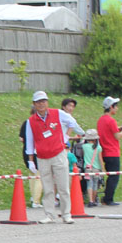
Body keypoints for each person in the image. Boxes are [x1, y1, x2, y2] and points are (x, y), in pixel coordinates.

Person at [25, 91, 84, 224]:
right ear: (34, 104)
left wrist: (66, 136)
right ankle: (49, 214)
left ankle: (66, 214)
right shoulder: (31, 121)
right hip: (42, 156)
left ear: (47, 102)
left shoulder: (58, 113)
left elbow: (72, 122)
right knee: (47, 187)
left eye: (44, 101)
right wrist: (30, 160)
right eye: (38, 102)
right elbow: (29, 140)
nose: (41, 104)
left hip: (58, 153)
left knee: (63, 185)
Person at [97, 96, 122, 206]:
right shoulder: (111, 120)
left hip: (104, 151)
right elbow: (117, 136)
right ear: (111, 107)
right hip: (112, 151)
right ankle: (108, 198)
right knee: (114, 176)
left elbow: (110, 131)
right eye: (116, 107)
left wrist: (119, 128)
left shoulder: (101, 120)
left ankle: (107, 197)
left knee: (110, 175)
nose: (117, 109)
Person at [19, 107, 43, 208]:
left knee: (32, 175)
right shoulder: (39, 123)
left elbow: (21, 138)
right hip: (37, 152)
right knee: (39, 176)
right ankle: (36, 200)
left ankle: (33, 197)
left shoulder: (26, 122)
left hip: (26, 151)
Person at [81, 129, 104, 207]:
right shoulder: (98, 148)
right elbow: (100, 159)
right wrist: (103, 169)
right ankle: (94, 200)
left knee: (89, 184)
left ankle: (90, 200)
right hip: (96, 168)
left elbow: (83, 156)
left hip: (87, 168)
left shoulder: (84, 146)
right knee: (95, 184)